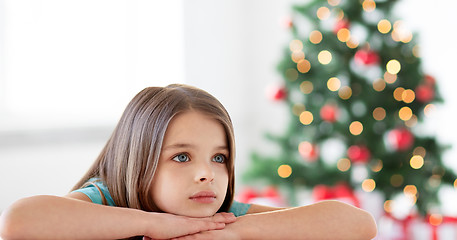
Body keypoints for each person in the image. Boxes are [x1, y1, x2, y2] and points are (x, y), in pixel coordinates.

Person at [0, 84, 377, 239]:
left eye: (219, 158)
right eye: (181, 156)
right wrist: (157, 224)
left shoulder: (219, 218)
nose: (205, 174)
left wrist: (232, 232)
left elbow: (358, 224)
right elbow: (19, 222)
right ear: (139, 160)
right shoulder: (106, 200)